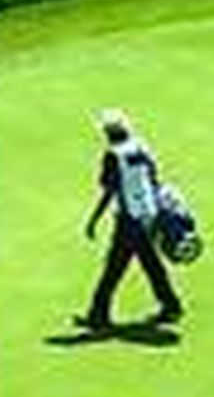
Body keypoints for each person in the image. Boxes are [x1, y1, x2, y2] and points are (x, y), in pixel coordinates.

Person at [77, 110, 181, 332]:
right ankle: (171, 305)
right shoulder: (141, 146)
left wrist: (94, 219)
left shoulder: (113, 156)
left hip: (129, 220)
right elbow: (154, 177)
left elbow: (109, 191)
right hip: (149, 215)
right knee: (150, 263)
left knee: (114, 267)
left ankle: (98, 316)